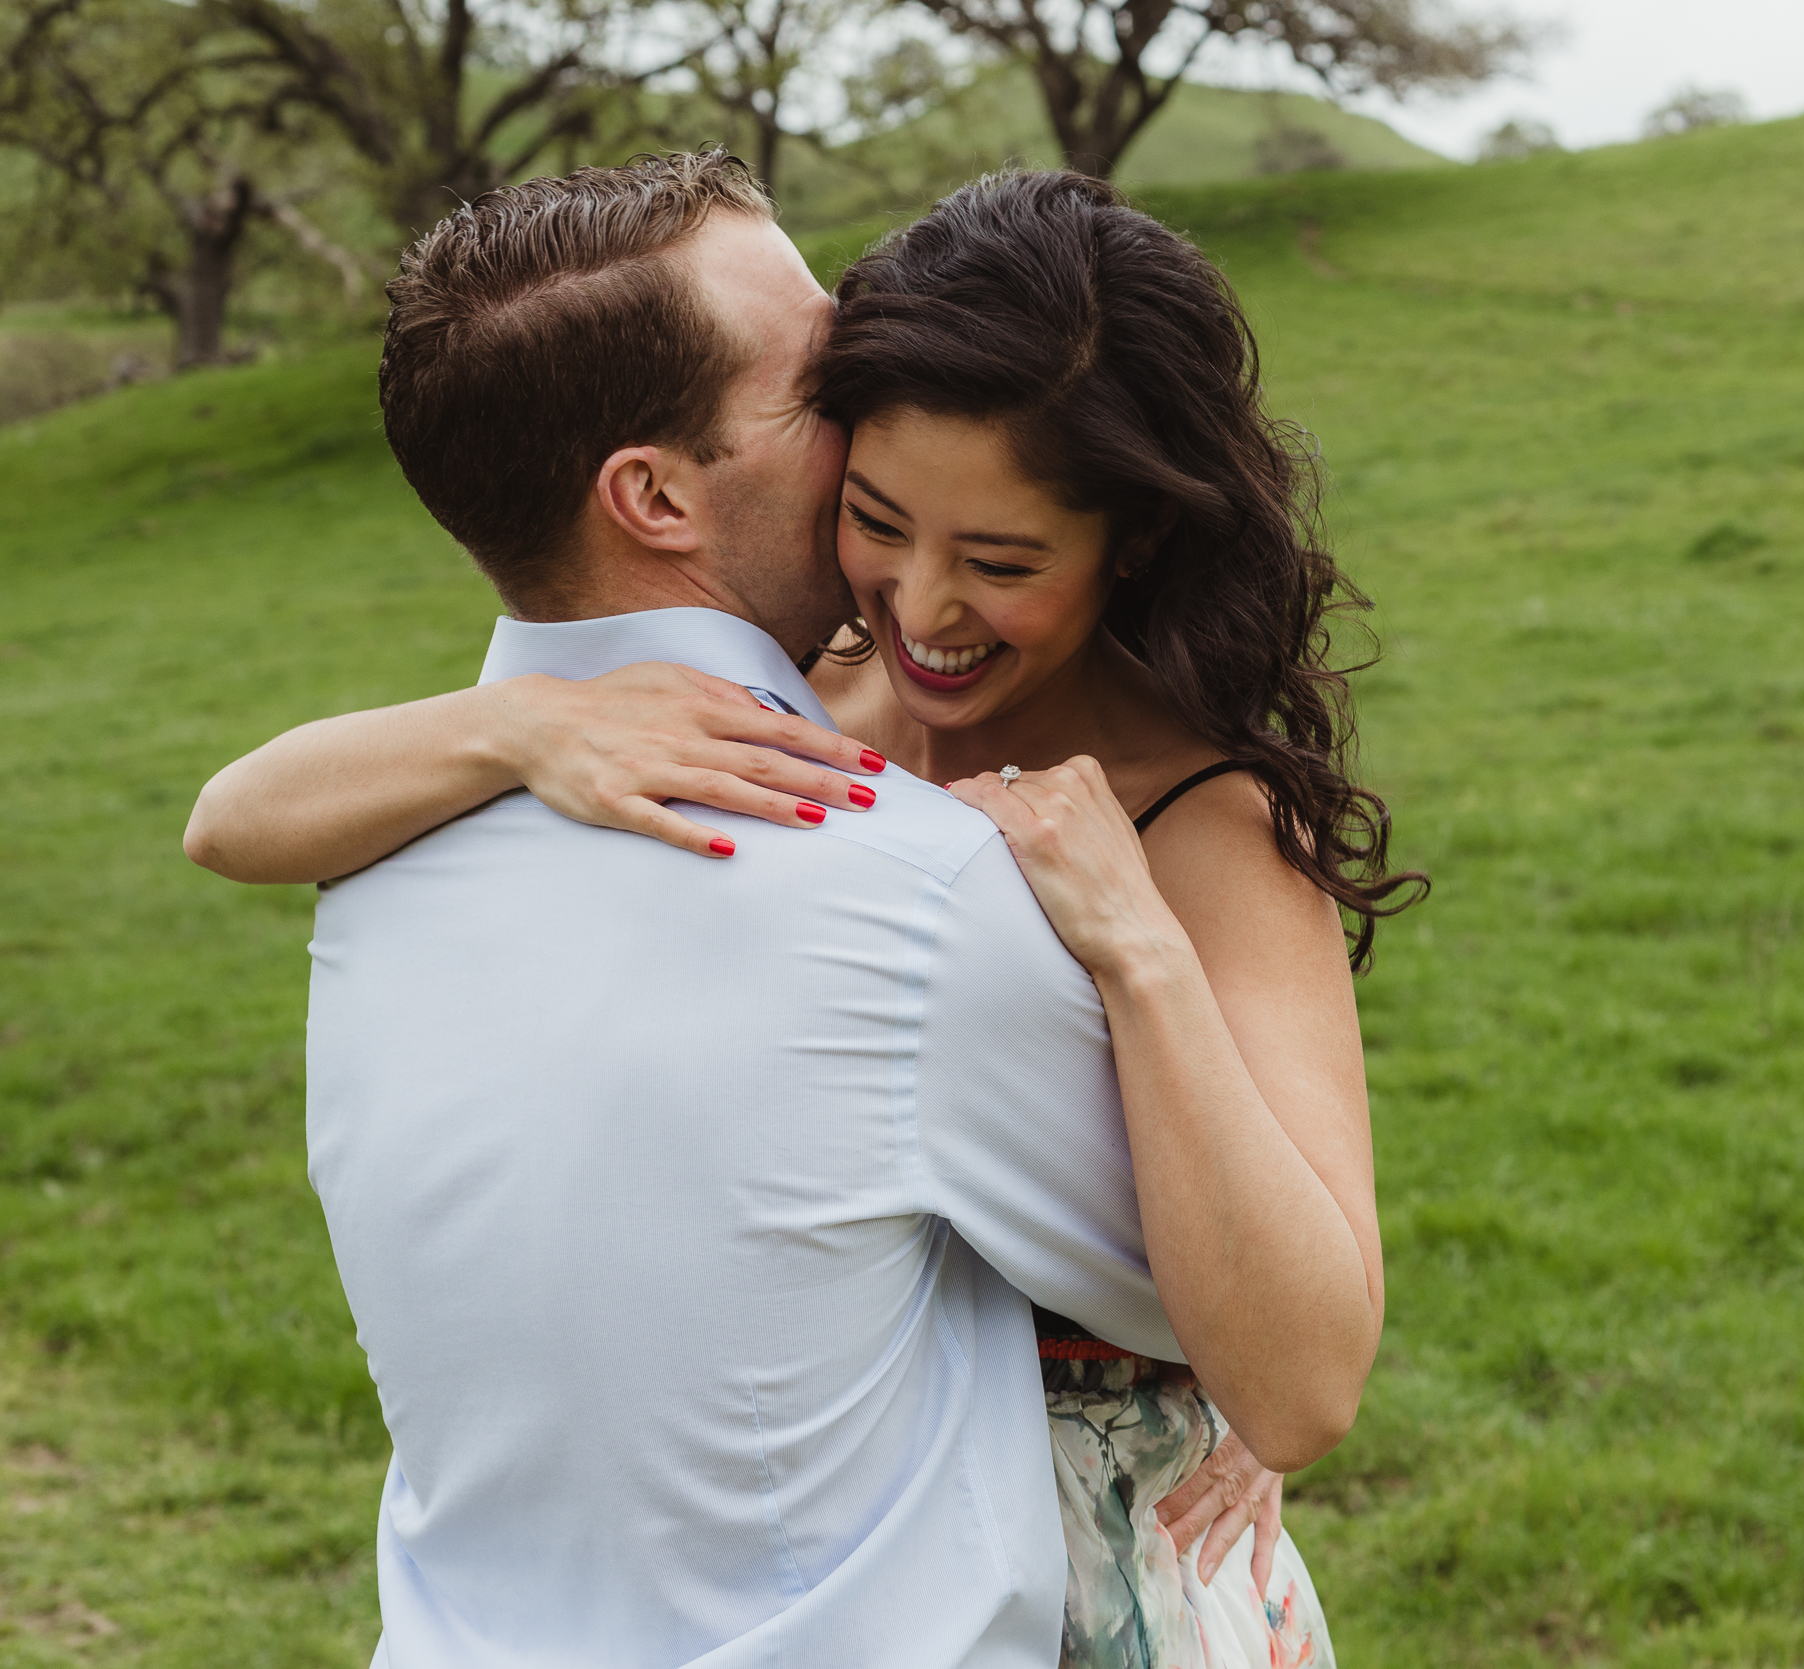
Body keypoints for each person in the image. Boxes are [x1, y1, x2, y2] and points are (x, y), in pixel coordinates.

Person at [189, 164, 1416, 1668]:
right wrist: (514, 729)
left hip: (1111, 1569)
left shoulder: (1193, 822)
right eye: (872, 497)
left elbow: (1298, 1358)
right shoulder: (774, 738)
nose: (921, 606)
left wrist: (1138, 948)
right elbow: (227, 815)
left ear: (1130, 541)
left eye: (1003, 560)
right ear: (656, 493)